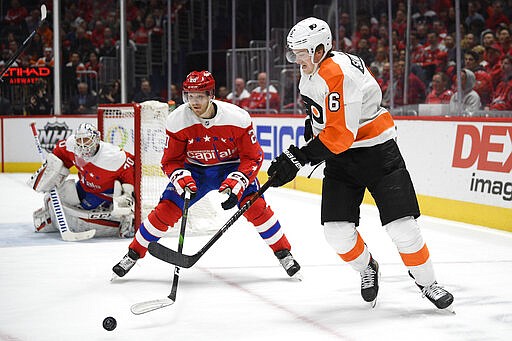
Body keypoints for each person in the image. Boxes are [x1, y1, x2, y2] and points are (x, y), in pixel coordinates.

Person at [268, 17, 454, 310]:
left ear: (320, 49)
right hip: (342, 162)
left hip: (379, 154)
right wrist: (311, 131)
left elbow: (341, 136)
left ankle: (428, 283)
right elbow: (323, 116)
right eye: (295, 53)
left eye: (302, 52)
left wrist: (300, 157)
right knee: (337, 234)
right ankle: (368, 267)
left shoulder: (337, 73)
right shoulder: (312, 72)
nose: (297, 59)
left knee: (403, 228)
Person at [112, 70, 301, 279]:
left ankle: (284, 253)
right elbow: (170, 161)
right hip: (195, 171)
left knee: (256, 207)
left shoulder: (237, 118)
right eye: (189, 96)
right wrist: (180, 177)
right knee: (165, 211)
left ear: (211, 95)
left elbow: (253, 156)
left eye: (200, 96)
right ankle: (132, 253)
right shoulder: (177, 120)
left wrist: (238, 181)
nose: (194, 102)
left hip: (231, 167)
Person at [28, 123, 136, 239]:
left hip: (102, 194)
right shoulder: (71, 146)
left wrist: (128, 193)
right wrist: (50, 169)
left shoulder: (112, 156)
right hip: (83, 186)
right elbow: (59, 154)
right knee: (58, 196)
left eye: (87, 140)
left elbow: (130, 167)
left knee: (78, 220)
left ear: (96, 139)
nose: (83, 145)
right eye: (80, 141)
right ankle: (52, 219)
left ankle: (123, 222)